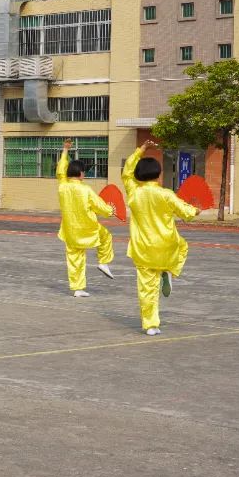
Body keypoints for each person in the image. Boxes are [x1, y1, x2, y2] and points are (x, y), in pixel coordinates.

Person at [122, 139, 198, 335]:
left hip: (143, 248)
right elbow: (185, 212)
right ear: (158, 174)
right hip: (166, 244)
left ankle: (150, 325)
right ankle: (169, 270)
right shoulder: (166, 194)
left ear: (138, 176)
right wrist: (195, 210)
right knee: (182, 246)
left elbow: (126, 172)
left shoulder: (133, 193)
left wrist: (141, 149)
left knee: (146, 288)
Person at [56, 139, 115, 298]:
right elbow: (99, 206)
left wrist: (65, 150)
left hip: (70, 229)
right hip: (88, 228)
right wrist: (110, 211)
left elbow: (61, 169)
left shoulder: (62, 186)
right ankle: (103, 262)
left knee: (75, 257)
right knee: (106, 237)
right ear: (80, 173)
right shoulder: (85, 190)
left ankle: (77, 289)